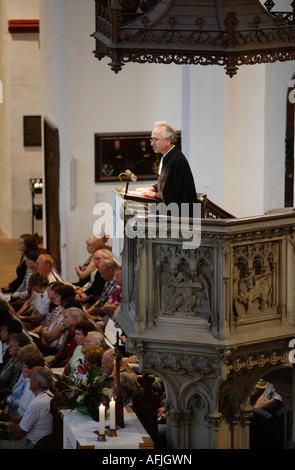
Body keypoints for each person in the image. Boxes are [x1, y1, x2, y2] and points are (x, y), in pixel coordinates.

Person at [136, 121, 198, 217]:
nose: (152, 143)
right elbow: (168, 182)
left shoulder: (175, 161)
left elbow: (171, 196)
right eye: (151, 139)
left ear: (167, 141)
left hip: (181, 218)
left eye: (155, 139)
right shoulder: (167, 157)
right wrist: (153, 188)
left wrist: (152, 194)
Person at [0, 366, 54, 449]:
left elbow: (18, 433)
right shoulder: (48, 395)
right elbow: (24, 422)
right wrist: (10, 420)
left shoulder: (36, 404)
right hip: (34, 440)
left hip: (29, 444)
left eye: (31, 379)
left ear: (36, 383)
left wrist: (3, 432)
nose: (29, 381)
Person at [0, 345, 44, 418]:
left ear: (33, 369)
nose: (21, 366)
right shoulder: (24, 374)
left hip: (16, 414)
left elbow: (22, 405)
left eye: (23, 365)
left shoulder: (31, 383)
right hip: (11, 410)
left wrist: (7, 400)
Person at [0, 332, 31, 400]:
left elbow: (12, 389)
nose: (9, 347)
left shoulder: (20, 365)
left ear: (21, 348)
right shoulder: (11, 358)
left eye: (12, 346)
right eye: (9, 345)